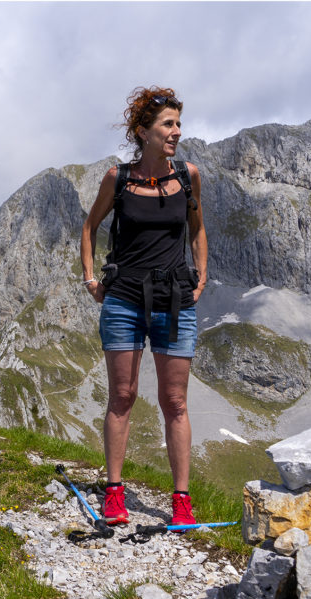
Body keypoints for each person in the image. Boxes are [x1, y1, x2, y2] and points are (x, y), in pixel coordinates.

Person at [79, 87, 208, 527]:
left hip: (174, 298)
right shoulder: (118, 178)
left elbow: (197, 228)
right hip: (124, 298)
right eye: (167, 125)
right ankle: (114, 495)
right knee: (123, 395)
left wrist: (203, 275)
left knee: (175, 400)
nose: (176, 132)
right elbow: (90, 226)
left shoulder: (187, 175)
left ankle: (181, 502)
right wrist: (91, 278)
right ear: (143, 132)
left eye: (177, 125)